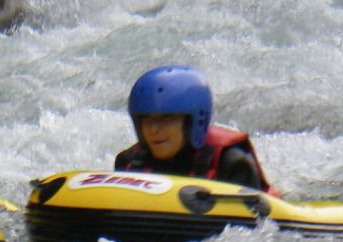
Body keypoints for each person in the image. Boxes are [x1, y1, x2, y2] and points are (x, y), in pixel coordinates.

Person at [114, 66, 278, 194]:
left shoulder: (231, 162)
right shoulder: (128, 162)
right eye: (146, 119)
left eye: (167, 118)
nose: (154, 129)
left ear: (191, 122)